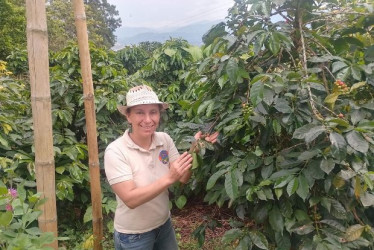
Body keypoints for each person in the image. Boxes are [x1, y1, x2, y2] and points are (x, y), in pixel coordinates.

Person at [104, 85, 219, 250]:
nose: (148, 119)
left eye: (153, 112)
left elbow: (183, 177)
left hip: (164, 225)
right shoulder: (116, 151)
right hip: (134, 236)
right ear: (128, 116)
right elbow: (130, 199)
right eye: (139, 112)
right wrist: (169, 178)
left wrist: (196, 148)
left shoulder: (164, 140)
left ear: (159, 114)